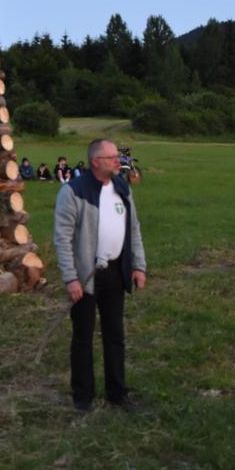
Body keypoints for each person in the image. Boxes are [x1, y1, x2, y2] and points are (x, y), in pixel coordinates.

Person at [53, 137, 147, 414]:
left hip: (116, 272)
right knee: (83, 337)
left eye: (118, 156)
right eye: (112, 157)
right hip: (86, 276)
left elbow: (134, 228)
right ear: (95, 161)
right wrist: (71, 278)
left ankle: (117, 393)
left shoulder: (122, 187)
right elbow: (62, 238)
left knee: (115, 334)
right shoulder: (73, 191)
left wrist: (138, 265)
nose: (119, 161)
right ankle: (83, 396)